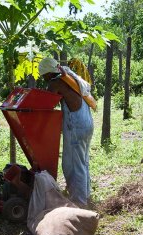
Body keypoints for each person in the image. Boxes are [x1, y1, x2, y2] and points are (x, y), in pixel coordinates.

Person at [38, 57, 94, 207]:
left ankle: (80, 202)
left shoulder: (55, 82)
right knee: (82, 162)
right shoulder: (69, 78)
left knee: (74, 165)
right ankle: (85, 195)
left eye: (44, 75)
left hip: (76, 126)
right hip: (86, 123)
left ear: (49, 73)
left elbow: (45, 104)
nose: (44, 79)